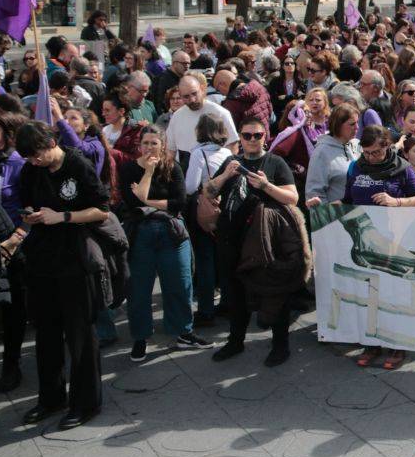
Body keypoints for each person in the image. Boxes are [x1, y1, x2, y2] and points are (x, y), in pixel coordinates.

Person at [15, 120, 114, 429]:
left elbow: (102, 209)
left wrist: (63, 216)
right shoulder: (32, 170)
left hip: (75, 258)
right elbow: (26, 200)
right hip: (42, 258)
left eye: (37, 155)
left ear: (50, 144)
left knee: (80, 334)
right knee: (46, 333)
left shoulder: (76, 165)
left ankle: (86, 403)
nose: (34, 162)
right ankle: (51, 397)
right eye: (29, 158)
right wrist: (31, 214)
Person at [204, 116, 299, 366]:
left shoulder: (275, 162)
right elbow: (208, 191)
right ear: (240, 138)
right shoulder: (231, 161)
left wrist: (266, 186)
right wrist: (225, 176)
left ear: (265, 136)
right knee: (234, 293)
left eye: (257, 135)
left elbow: (292, 197)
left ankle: (280, 345)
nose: (252, 140)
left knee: (273, 290)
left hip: (266, 239)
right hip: (232, 238)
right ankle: (235, 341)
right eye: (247, 136)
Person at [118, 125, 209, 361]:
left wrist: (146, 199)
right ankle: (140, 338)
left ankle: (183, 332)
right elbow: (131, 203)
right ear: (140, 145)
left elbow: (179, 202)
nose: (149, 148)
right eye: (145, 143)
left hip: (172, 232)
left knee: (180, 283)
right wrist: (147, 173)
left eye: (154, 143)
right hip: (140, 234)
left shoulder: (172, 167)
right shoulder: (128, 169)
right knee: (139, 290)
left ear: (162, 145)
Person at [343, 125, 415, 370]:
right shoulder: (357, 167)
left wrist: (396, 201)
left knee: (393, 292)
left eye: (376, 153)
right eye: (366, 152)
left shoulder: (402, 169)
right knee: (370, 292)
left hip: (393, 239)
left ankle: (397, 344)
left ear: (387, 147)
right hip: (364, 241)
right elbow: (347, 199)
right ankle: (372, 343)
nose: (370, 157)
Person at [184, 114, 233, 327]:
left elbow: (189, 186)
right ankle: (227, 303)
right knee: (224, 259)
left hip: (204, 212)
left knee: (205, 261)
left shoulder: (198, 153)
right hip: (225, 211)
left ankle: (205, 310)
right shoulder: (228, 153)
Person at [0, 109, 27, 394]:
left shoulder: (17, 165)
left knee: (12, 309)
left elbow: (29, 209)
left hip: (11, 248)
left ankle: (12, 364)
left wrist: (15, 238)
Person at [165, 74, 239, 172]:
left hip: (213, 171)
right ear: (181, 95)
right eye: (186, 96)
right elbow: (171, 150)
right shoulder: (177, 116)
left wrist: (223, 175)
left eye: (194, 93)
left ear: (203, 89)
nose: (192, 99)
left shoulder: (220, 113)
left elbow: (232, 146)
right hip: (183, 170)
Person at [305, 103, 361, 208]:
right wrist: (329, 216)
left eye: (357, 122)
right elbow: (314, 193)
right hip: (338, 218)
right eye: (352, 124)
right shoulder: (321, 153)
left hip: (364, 215)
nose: (357, 127)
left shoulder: (358, 145)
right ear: (338, 125)